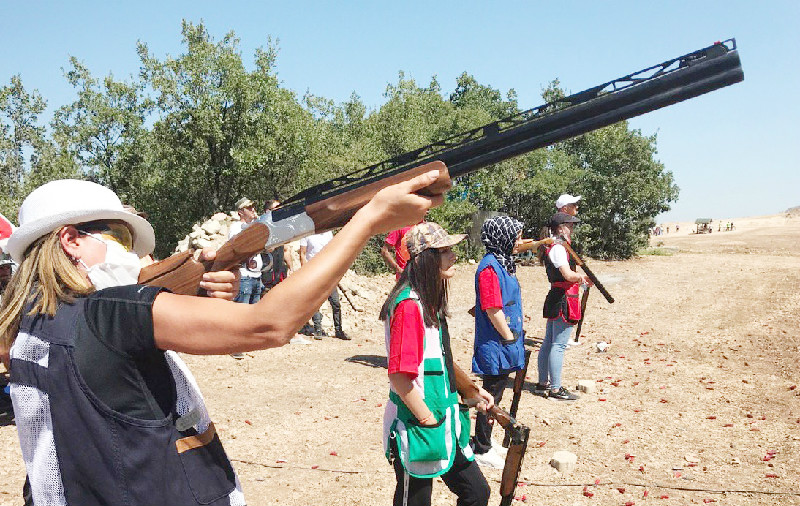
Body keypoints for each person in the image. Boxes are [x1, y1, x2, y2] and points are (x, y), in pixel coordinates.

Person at [0, 172, 440, 506]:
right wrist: (367, 221)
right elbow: (270, 325)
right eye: (117, 235)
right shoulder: (108, 314)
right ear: (71, 240)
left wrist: (199, 289)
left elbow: (115, 381)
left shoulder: (28, 324)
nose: (130, 251)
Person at [380, 222, 492, 506]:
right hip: (420, 426)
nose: (453, 256)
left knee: (477, 493)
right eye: (445, 251)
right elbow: (400, 377)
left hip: (444, 422)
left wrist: (470, 390)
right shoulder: (408, 307)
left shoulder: (427, 302)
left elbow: (439, 359)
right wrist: (428, 421)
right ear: (426, 259)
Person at [471, 216, 526, 469]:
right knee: (490, 396)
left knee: (497, 395)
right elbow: (493, 309)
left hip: (505, 342)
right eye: (515, 237)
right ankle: (482, 447)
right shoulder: (490, 268)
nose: (518, 242)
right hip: (497, 344)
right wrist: (509, 338)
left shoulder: (504, 263)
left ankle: (487, 441)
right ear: (501, 238)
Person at [535, 212, 592, 401]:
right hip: (563, 298)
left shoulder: (556, 246)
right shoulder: (558, 248)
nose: (572, 228)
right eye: (569, 225)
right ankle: (555, 388)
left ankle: (543, 383)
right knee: (558, 345)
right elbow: (567, 275)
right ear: (560, 228)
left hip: (558, 296)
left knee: (549, 342)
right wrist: (582, 278)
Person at [299, 231, 350, 340]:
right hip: (314, 272)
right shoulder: (307, 234)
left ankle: (339, 330)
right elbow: (302, 253)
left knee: (335, 302)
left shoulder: (328, 233)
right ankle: (318, 329)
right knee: (315, 303)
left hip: (329, 273)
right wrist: (305, 271)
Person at [228, 198, 264, 304]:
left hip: (257, 276)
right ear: (241, 212)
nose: (253, 209)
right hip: (245, 277)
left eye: (253, 207)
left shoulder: (255, 225)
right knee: (242, 313)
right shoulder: (236, 227)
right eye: (249, 208)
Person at [260, 200, 293, 293]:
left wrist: (291, 268)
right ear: (268, 211)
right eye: (277, 208)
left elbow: (286, 249)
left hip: (280, 272)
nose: (280, 210)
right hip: (266, 274)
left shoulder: (281, 226)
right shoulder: (261, 227)